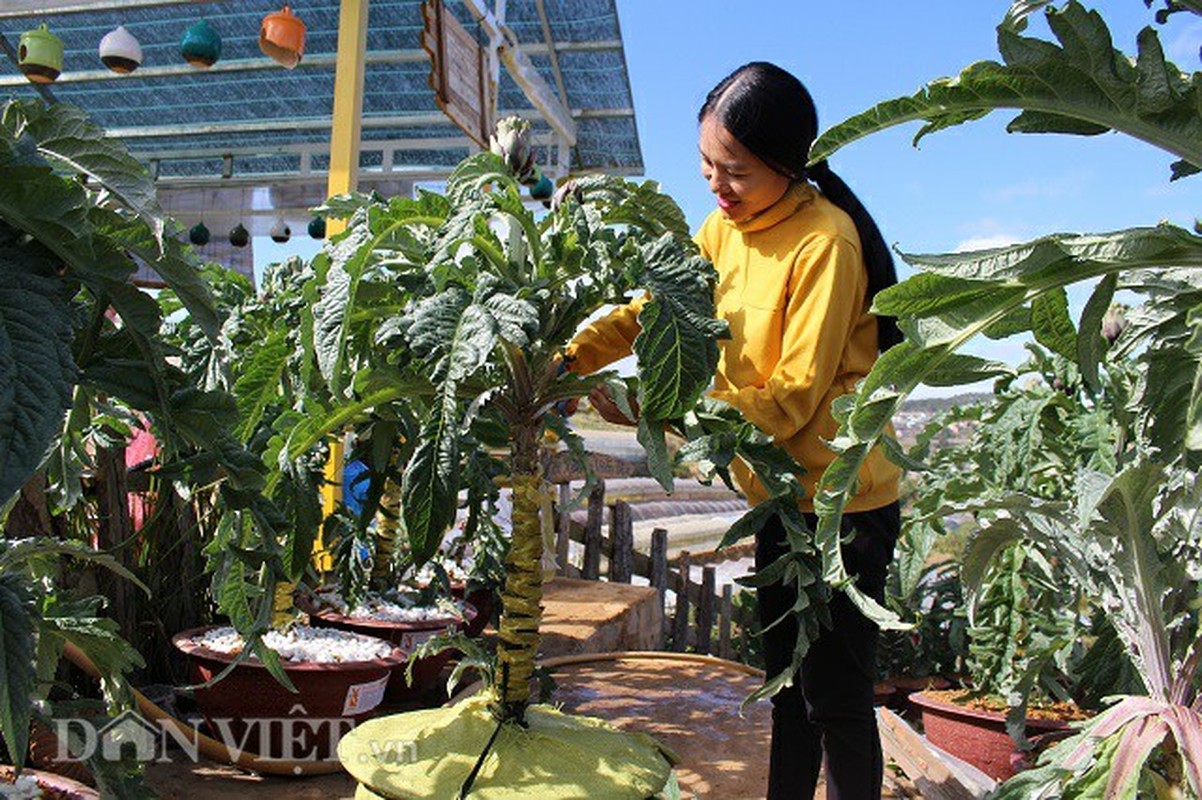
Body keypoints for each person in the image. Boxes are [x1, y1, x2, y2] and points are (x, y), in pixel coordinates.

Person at [563, 62, 903, 799]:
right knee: (788, 690)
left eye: (736, 171)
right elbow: (650, 307)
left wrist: (658, 404)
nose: (718, 186)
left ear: (787, 164)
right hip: (783, 501)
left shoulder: (826, 243)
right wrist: (564, 357)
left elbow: (789, 401)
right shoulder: (721, 228)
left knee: (835, 700)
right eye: (708, 167)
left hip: (845, 508)